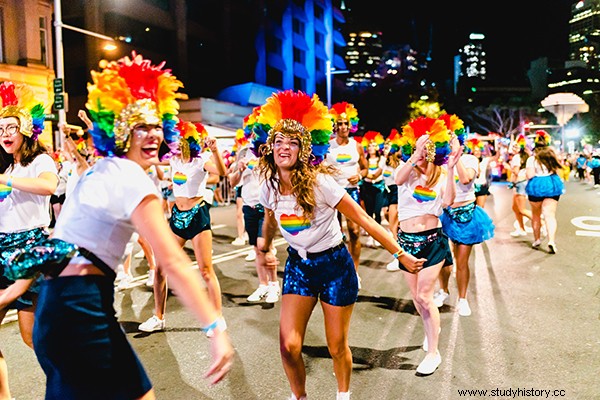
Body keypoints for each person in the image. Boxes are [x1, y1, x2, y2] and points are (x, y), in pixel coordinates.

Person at [6, 52, 234, 399]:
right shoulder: (130, 177)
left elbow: (57, 245)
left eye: (157, 125)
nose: (153, 134)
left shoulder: (95, 172)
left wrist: (12, 291)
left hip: (55, 313)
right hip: (82, 311)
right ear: (121, 131)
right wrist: (216, 327)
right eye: (140, 126)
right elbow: (171, 261)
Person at [251, 90, 425, 400]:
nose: (284, 147)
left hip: (334, 267)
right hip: (299, 267)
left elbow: (363, 218)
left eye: (292, 142)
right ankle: (299, 396)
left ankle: (343, 395)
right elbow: (269, 217)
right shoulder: (268, 184)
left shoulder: (321, 183)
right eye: (278, 141)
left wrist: (401, 254)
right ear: (269, 146)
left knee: (335, 345)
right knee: (289, 346)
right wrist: (264, 243)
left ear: (305, 150)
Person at [139, 119, 228, 334]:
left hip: (197, 215)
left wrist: (215, 151)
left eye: (176, 140)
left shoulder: (201, 160)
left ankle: (217, 319)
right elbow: (146, 159)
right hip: (177, 217)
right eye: (170, 140)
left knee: (206, 271)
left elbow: (222, 173)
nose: (172, 144)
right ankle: (158, 317)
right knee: (160, 268)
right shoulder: (172, 160)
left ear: (187, 140)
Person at [0, 81, 58, 400]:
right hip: (0, 249)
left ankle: (68, 387)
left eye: (11, 127)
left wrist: (6, 180)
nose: (5, 134)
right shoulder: (5, 165)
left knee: (32, 336)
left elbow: (48, 187)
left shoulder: (40, 162)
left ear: (26, 128)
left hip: (29, 251)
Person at [394, 116, 461, 376]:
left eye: (425, 148)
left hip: (433, 241)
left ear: (434, 151)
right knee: (418, 299)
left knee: (424, 296)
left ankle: (434, 352)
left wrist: (452, 168)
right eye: (416, 147)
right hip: (406, 243)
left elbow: (448, 202)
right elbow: (398, 180)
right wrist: (414, 156)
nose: (420, 152)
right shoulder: (406, 170)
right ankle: (431, 330)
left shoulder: (441, 174)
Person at [437, 131, 495, 316]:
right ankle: (443, 291)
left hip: (466, 216)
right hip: (444, 215)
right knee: (444, 260)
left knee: (461, 262)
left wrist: (456, 156)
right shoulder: (439, 161)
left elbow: (465, 179)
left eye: (452, 139)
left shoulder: (470, 160)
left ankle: (462, 299)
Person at [229, 111, 279, 303]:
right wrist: (239, 169)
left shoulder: (271, 153)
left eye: (260, 130)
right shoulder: (243, 153)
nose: (256, 134)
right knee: (257, 249)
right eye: (253, 130)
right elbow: (233, 182)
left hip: (266, 208)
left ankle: (274, 285)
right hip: (249, 207)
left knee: (264, 246)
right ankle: (262, 285)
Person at [325, 102, 368, 279]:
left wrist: (360, 176)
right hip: (331, 193)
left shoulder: (357, 146)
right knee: (332, 235)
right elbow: (318, 166)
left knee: (355, 232)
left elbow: (365, 168)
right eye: (339, 123)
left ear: (351, 125)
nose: (343, 127)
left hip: (351, 192)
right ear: (334, 126)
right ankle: (336, 271)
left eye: (346, 123)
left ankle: (354, 273)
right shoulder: (328, 145)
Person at [526, 130, 565, 254]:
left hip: (536, 187)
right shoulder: (552, 156)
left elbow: (530, 175)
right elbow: (558, 171)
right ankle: (551, 241)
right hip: (551, 186)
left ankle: (537, 240)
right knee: (550, 216)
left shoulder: (532, 159)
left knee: (536, 216)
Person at [359, 131, 387, 248]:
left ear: (378, 147)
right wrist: (365, 175)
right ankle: (371, 237)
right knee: (369, 214)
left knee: (377, 212)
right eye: (369, 145)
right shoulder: (364, 160)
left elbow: (376, 174)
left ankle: (378, 238)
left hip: (378, 188)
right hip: (367, 188)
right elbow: (362, 171)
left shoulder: (382, 160)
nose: (371, 148)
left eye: (373, 145)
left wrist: (367, 175)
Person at [508, 135, 534, 237]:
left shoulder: (516, 157)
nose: (514, 148)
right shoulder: (525, 156)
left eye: (516, 147)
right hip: (521, 183)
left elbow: (516, 171)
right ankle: (521, 228)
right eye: (513, 146)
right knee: (515, 208)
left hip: (519, 183)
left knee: (522, 209)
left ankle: (542, 223)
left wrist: (509, 167)